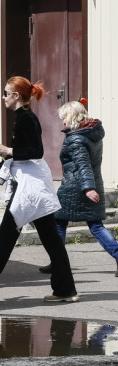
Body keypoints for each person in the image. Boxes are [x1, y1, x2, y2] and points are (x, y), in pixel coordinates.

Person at [0, 76, 78, 304]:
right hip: (35, 190)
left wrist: (8, 150)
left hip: (30, 192)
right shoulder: (25, 117)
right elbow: (22, 154)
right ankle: (65, 289)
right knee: (51, 242)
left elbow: (34, 152)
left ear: (16, 96)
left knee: (6, 239)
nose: (3, 97)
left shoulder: (25, 118)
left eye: (6, 93)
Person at [37, 101, 118, 276]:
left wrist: (87, 188)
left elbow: (83, 165)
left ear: (72, 116)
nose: (63, 122)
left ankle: (57, 262)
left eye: (64, 117)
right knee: (96, 226)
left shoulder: (76, 138)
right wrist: (91, 186)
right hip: (92, 183)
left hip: (75, 188)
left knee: (58, 222)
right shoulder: (92, 133)